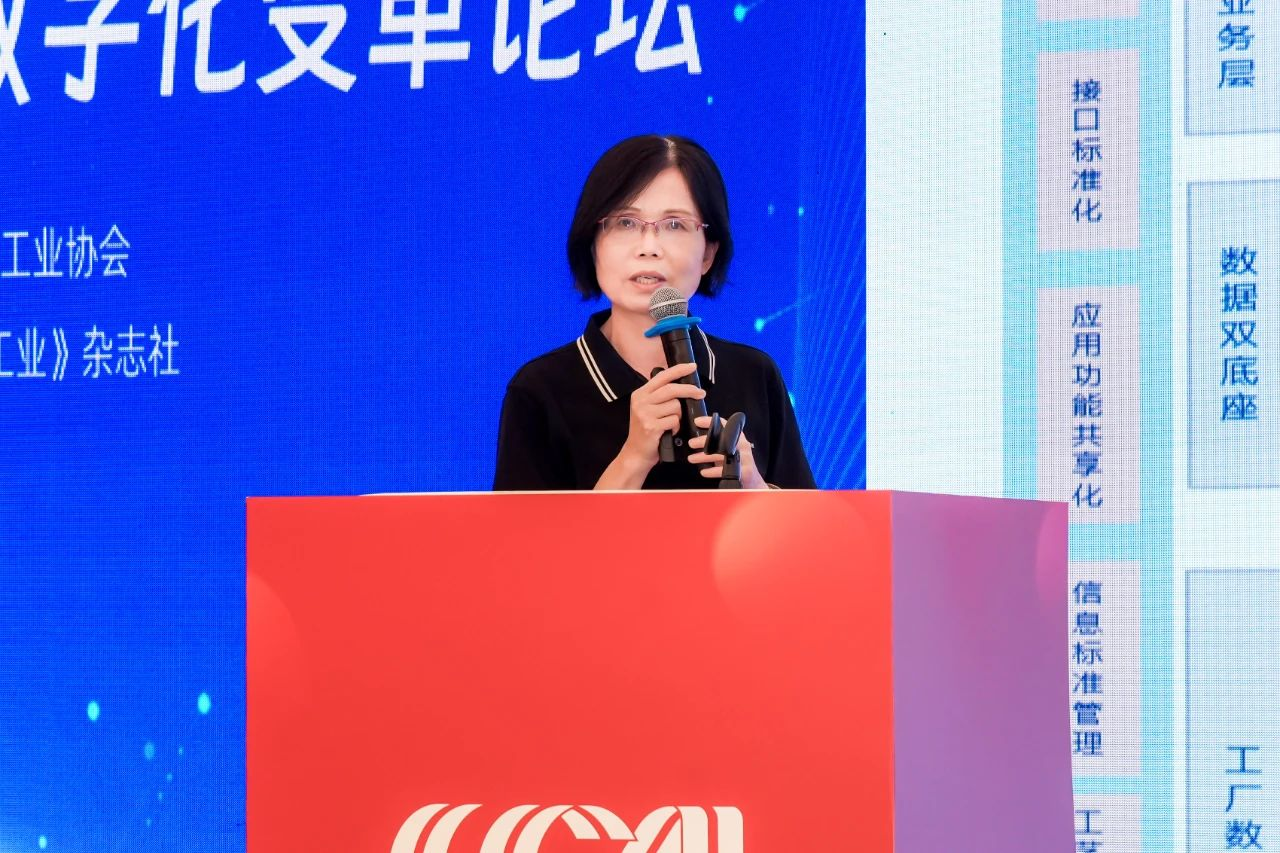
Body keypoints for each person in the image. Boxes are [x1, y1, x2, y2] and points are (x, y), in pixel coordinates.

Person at [493, 135, 815, 491]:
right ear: (593, 245)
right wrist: (633, 459)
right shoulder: (540, 390)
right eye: (625, 223)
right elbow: (522, 530)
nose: (649, 248)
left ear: (708, 253)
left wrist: (753, 484)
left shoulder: (754, 375)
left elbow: (809, 526)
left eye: (675, 225)